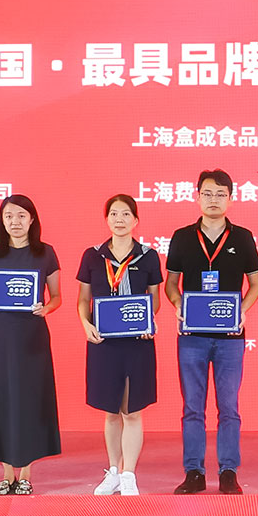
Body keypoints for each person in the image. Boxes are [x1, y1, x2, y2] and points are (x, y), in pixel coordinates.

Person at [161, 169, 258, 495]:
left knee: (229, 407)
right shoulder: (182, 237)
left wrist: (242, 310)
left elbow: (256, 284)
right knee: (193, 407)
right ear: (197, 197)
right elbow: (171, 283)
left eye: (221, 194)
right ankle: (194, 472)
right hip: (192, 336)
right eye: (207, 193)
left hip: (230, 337)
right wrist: (178, 303)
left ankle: (228, 471)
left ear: (230, 199)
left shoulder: (243, 237)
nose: (214, 199)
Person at [0, 195, 62, 495]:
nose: (15, 222)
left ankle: (26, 475)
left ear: (32, 219)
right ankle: (6, 474)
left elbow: (56, 297)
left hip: (31, 337)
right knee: (0, 398)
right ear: (2, 220)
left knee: (28, 400)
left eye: (21, 216)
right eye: (9, 216)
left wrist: (46, 308)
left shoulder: (45, 253)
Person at [76, 194, 164, 497]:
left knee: (132, 411)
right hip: (104, 343)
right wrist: (85, 324)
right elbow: (83, 299)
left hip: (138, 343)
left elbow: (155, 300)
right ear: (107, 219)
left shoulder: (148, 256)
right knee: (111, 411)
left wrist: (148, 322)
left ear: (135, 220)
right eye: (114, 214)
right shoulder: (93, 256)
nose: (119, 219)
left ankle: (129, 475)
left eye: (126, 214)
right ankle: (113, 471)